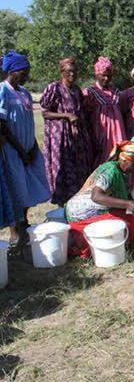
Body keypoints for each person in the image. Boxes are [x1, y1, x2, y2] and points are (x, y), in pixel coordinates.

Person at [0, 52, 51, 251]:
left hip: (29, 149)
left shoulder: (25, 93)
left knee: (30, 185)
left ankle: (24, 221)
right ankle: (16, 231)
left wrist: (33, 148)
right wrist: (21, 150)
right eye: (23, 72)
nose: (26, 76)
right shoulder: (3, 91)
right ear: (12, 72)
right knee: (15, 188)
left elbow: (29, 122)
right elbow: (2, 126)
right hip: (12, 150)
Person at [64, 142, 134, 258]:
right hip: (80, 214)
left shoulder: (119, 171)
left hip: (89, 211)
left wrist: (133, 204)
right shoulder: (110, 171)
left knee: (129, 216)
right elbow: (96, 196)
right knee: (127, 222)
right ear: (124, 160)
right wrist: (127, 204)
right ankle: (122, 248)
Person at [40, 57, 94, 206]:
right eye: (69, 71)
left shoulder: (76, 89)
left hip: (77, 137)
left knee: (78, 169)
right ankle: (62, 205)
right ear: (62, 72)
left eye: (75, 72)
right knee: (64, 169)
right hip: (61, 138)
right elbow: (45, 112)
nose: (72, 75)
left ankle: (76, 204)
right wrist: (66, 115)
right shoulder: (54, 88)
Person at [84, 56, 127, 166]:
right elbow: (85, 116)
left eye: (109, 76)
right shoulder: (90, 92)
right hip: (100, 134)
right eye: (103, 75)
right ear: (96, 75)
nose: (106, 79)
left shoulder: (117, 92)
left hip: (118, 134)